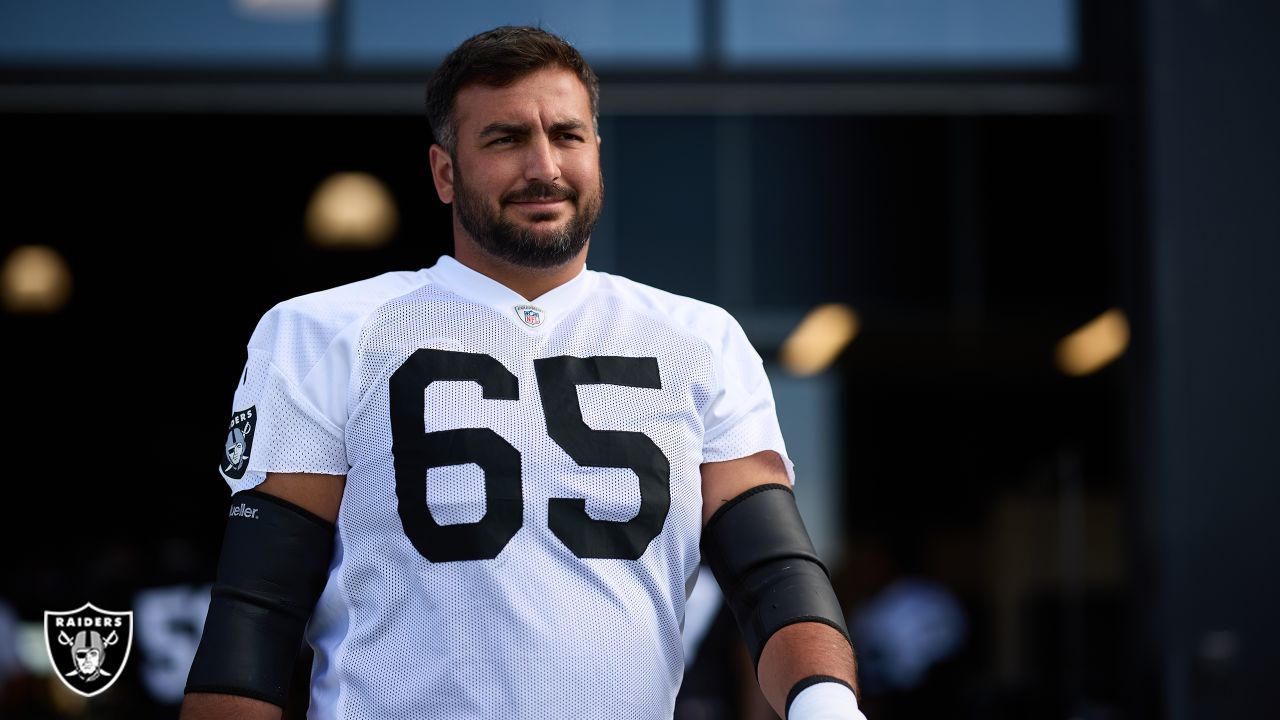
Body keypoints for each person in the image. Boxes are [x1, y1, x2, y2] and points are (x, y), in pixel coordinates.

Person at [180, 26, 864, 720]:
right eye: (504, 139)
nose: (544, 166)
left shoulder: (700, 339)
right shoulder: (324, 331)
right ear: (445, 172)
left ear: (597, 152)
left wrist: (827, 707)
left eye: (567, 135)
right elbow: (257, 614)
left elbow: (772, 571)